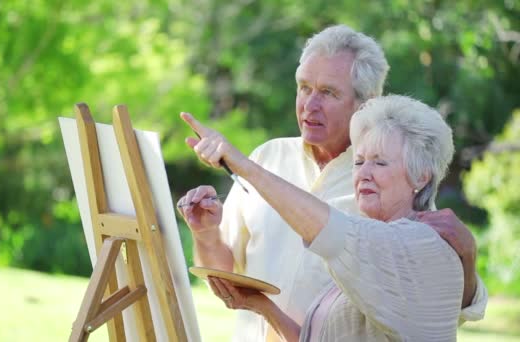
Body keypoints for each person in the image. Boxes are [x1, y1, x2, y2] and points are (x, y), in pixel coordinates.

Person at [177, 25, 487, 341]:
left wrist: (467, 257)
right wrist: (206, 234)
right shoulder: (267, 156)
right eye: (304, 88)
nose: (309, 105)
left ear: (366, 102)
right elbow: (226, 271)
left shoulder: (387, 187)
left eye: (328, 92)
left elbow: (440, 303)